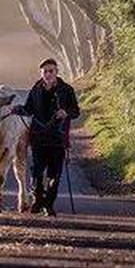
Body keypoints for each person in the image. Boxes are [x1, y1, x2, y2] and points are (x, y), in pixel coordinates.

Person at [12, 58, 80, 215]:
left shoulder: (67, 90)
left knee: (54, 175)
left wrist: (66, 112)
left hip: (58, 138)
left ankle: (49, 204)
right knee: (36, 171)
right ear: (41, 73)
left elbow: (76, 111)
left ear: (57, 72)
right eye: (45, 71)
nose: (48, 74)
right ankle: (37, 200)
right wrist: (17, 109)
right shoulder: (35, 89)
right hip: (38, 138)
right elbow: (28, 109)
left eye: (51, 71)